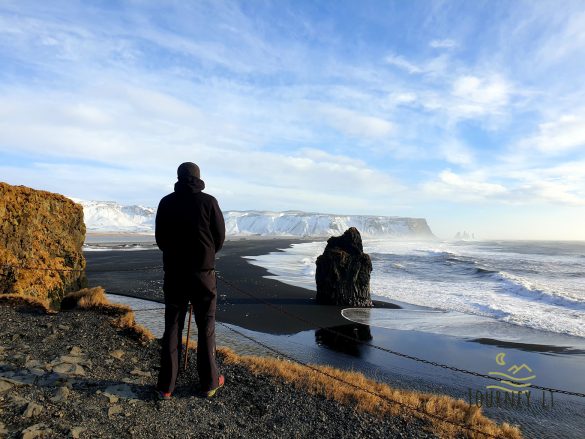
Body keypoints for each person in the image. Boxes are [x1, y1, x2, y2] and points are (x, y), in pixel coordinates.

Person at [154, 162, 226, 399]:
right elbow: (219, 237)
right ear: (198, 177)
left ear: (178, 177)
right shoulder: (209, 202)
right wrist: (205, 255)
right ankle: (209, 383)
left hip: (175, 274)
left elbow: (161, 238)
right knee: (206, 326)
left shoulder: (166, 202)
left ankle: (166, 386)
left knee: (172, 326)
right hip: (203, 274)